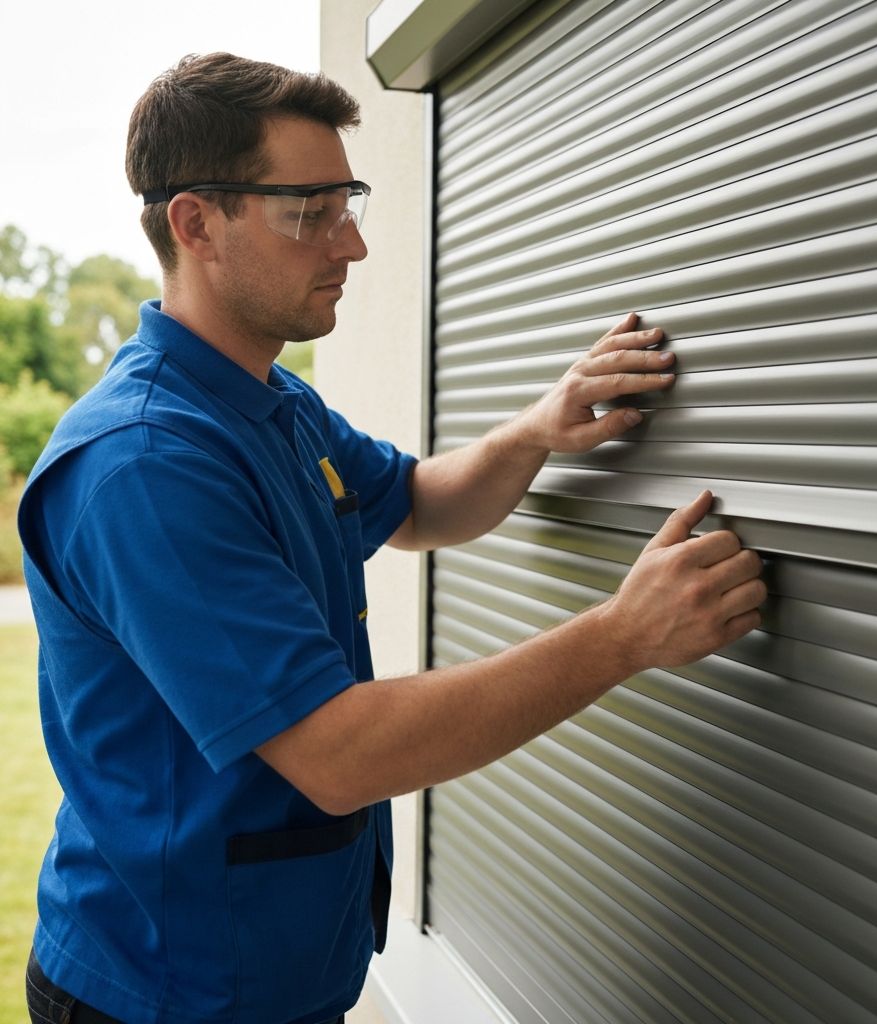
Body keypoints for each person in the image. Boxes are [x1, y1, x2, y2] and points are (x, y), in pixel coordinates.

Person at [19, 52, 766, 1024]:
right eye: (310, 212)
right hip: (166, 994)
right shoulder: (146, 466)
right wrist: (622, 635)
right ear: (196, 222)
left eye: (349, 202)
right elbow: (337, 754)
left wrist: (538, 427)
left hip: (278, 976)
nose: (352, 245)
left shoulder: (272, 403)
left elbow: (417, 502)